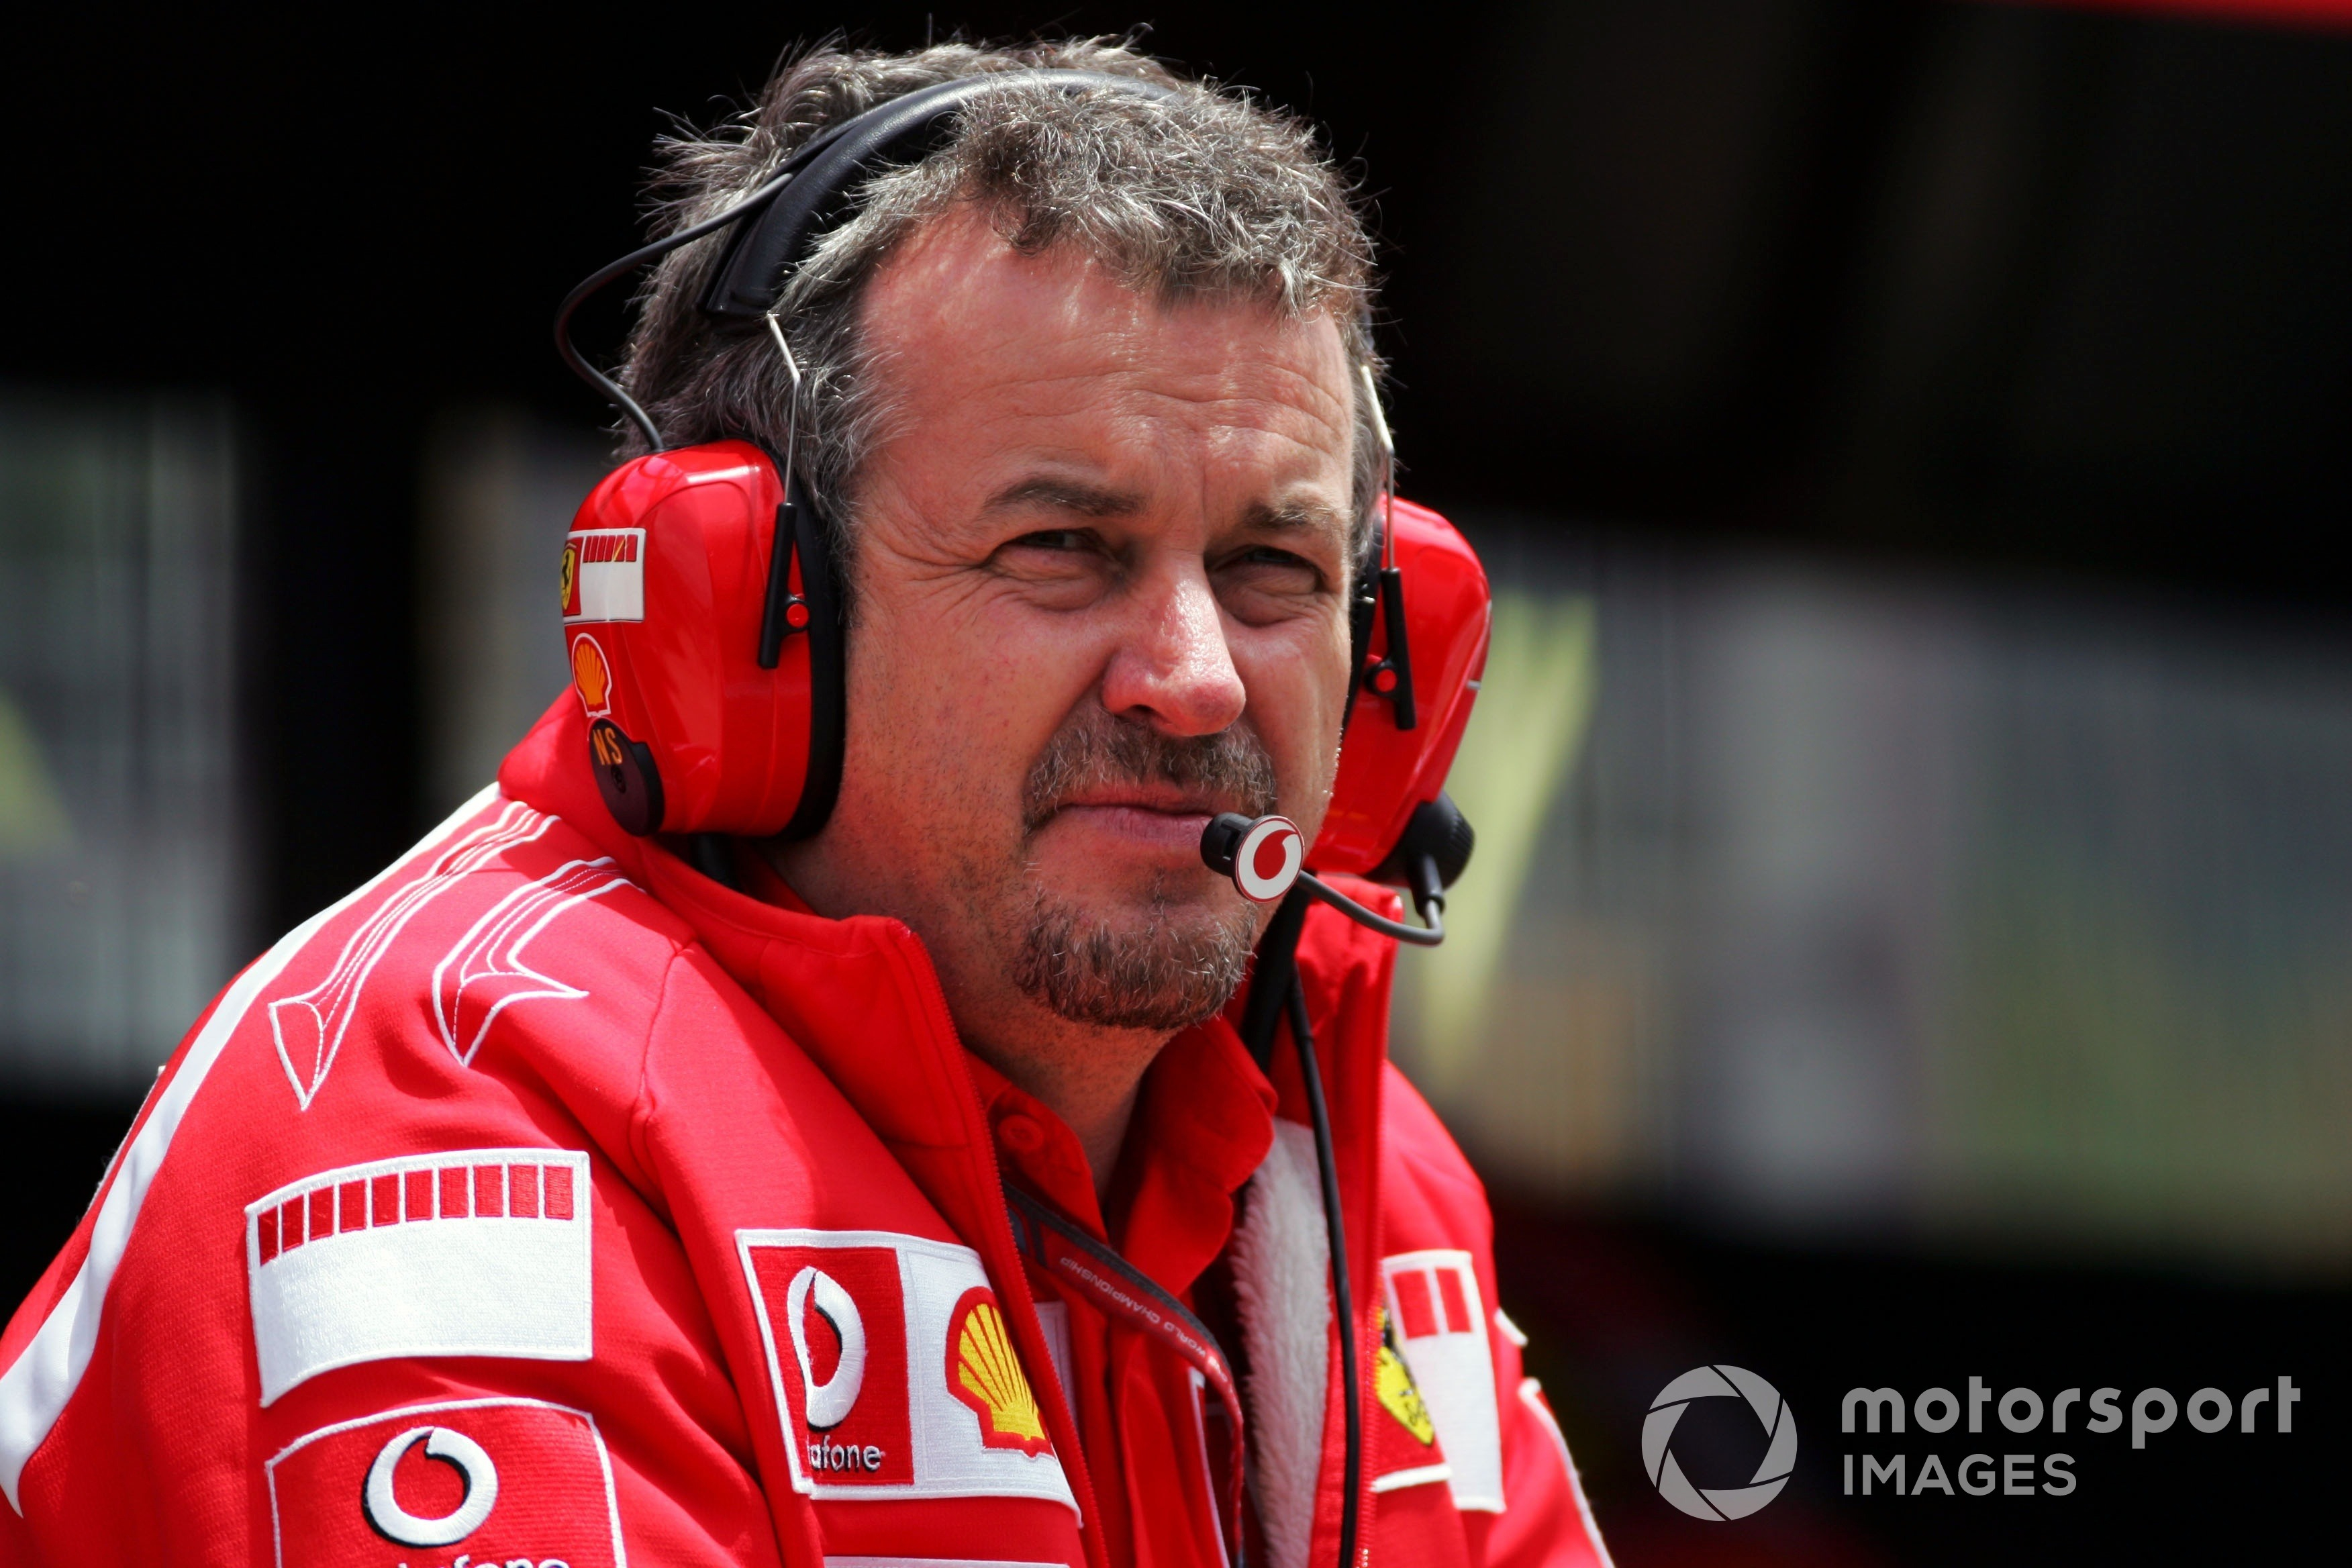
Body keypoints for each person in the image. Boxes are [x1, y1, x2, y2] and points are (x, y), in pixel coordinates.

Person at [0, 39, 1610, 1568]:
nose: (1193, 677)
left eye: (1274, 567)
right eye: (1061, 549)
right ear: (746, 619)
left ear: (1391, 656)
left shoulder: (1362, 1175)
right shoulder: (437, 1128)